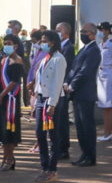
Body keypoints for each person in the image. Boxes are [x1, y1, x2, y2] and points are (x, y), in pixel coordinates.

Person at [64, 22, 102, 167]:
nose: (82, 34)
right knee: (80, 127)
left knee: (87, 127)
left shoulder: (93, 50)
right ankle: (84, 154)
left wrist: (72, 85)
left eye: (84, 32)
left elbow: (85, 71)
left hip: (85, 93)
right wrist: (67, 82)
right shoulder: (83, 49)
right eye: (81, 31)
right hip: (77, 93)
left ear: (92, 34)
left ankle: (90, 157)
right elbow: (74, 69)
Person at [33, 30, 67, 183]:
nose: (42, 43)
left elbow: (57, 83)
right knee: (40, 134)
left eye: (45, 40)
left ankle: (52, 169)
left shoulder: (59, 59)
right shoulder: (45, 58)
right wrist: (35, 102)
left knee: (53, 136)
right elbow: (39, 80)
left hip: (51, 100)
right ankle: (44, 166)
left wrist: (52, 104)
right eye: (41, 40)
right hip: (41, 99)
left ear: (53, 42)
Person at [0, 34, 24, 172]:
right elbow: (0, 78)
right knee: (2, 129)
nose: (6, 45)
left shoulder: (17, 61)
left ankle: (10, 158)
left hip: (11, 99)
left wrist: (2, 94)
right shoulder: (4, 60)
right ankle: (4, 157)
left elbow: (14, 81)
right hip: (1, 98)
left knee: (9, 129)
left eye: (9, 43)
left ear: (16, 46)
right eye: (5, 43)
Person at [54, 22, 75, 160]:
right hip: (55, 87)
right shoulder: (58, 47)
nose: (56, 32)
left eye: (58, 30)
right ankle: (57, 146)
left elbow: (66, 68)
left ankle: (63, 148)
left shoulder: (68, 47)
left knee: (62, 120)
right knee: (56, 120)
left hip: (61, 87)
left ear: (66, 33)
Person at [96, 22, 112, 141]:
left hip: (109, 73)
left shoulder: (111, 44)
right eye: (100, 30)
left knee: (110, 105)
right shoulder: (100, 44)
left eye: (103, 30)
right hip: (100, 74)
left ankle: (109, 132)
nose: (101, 32)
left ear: (108, 31)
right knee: (104, 105)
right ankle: (105, 132)